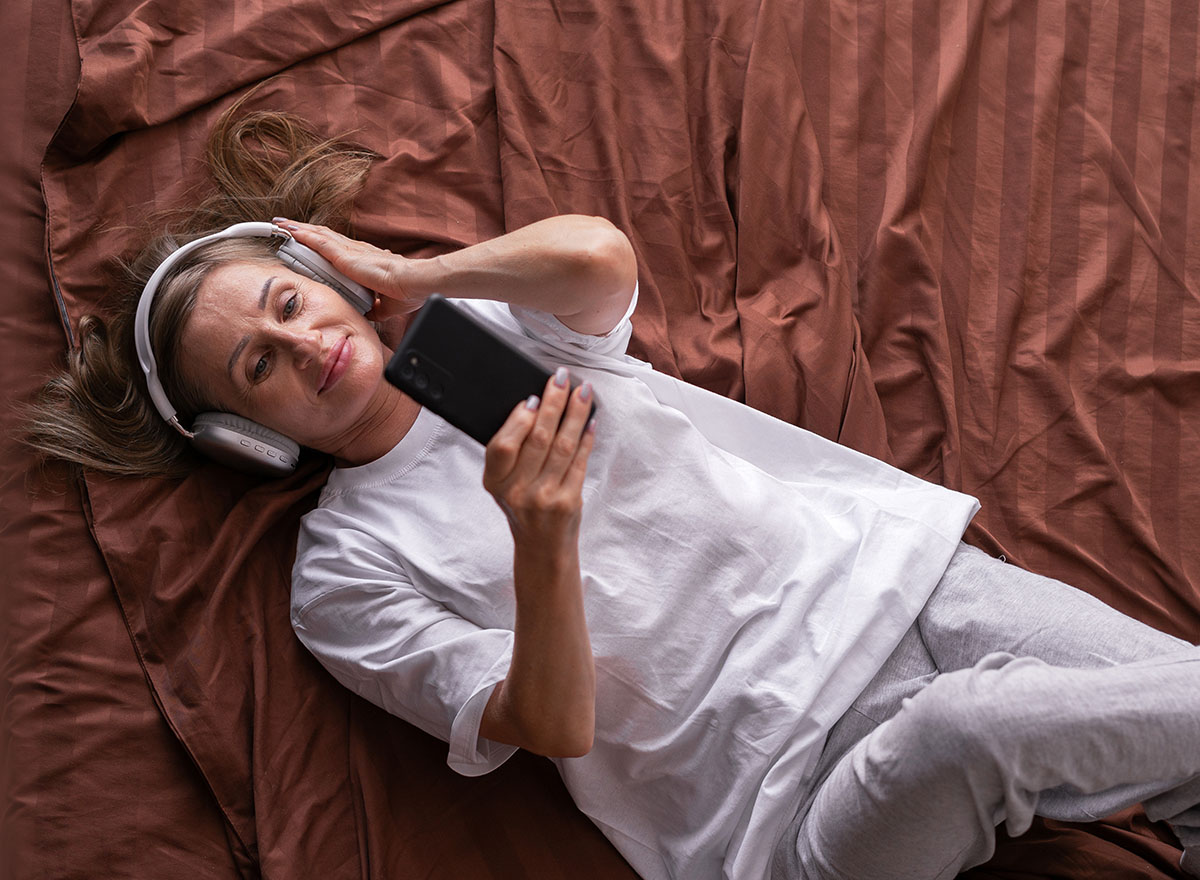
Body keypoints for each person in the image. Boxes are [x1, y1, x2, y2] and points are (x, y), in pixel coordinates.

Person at [24, 108, 1200, 880]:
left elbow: (600, 259)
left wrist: (410, 272)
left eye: (289, 306)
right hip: (777, 815)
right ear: (248, 438)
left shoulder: (480, 331)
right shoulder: (341, 580)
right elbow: (551, 725)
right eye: (258, 367)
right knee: (971, 725)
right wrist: (544, 535)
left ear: (324, 280)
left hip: (904, 586)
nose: (303, 346)